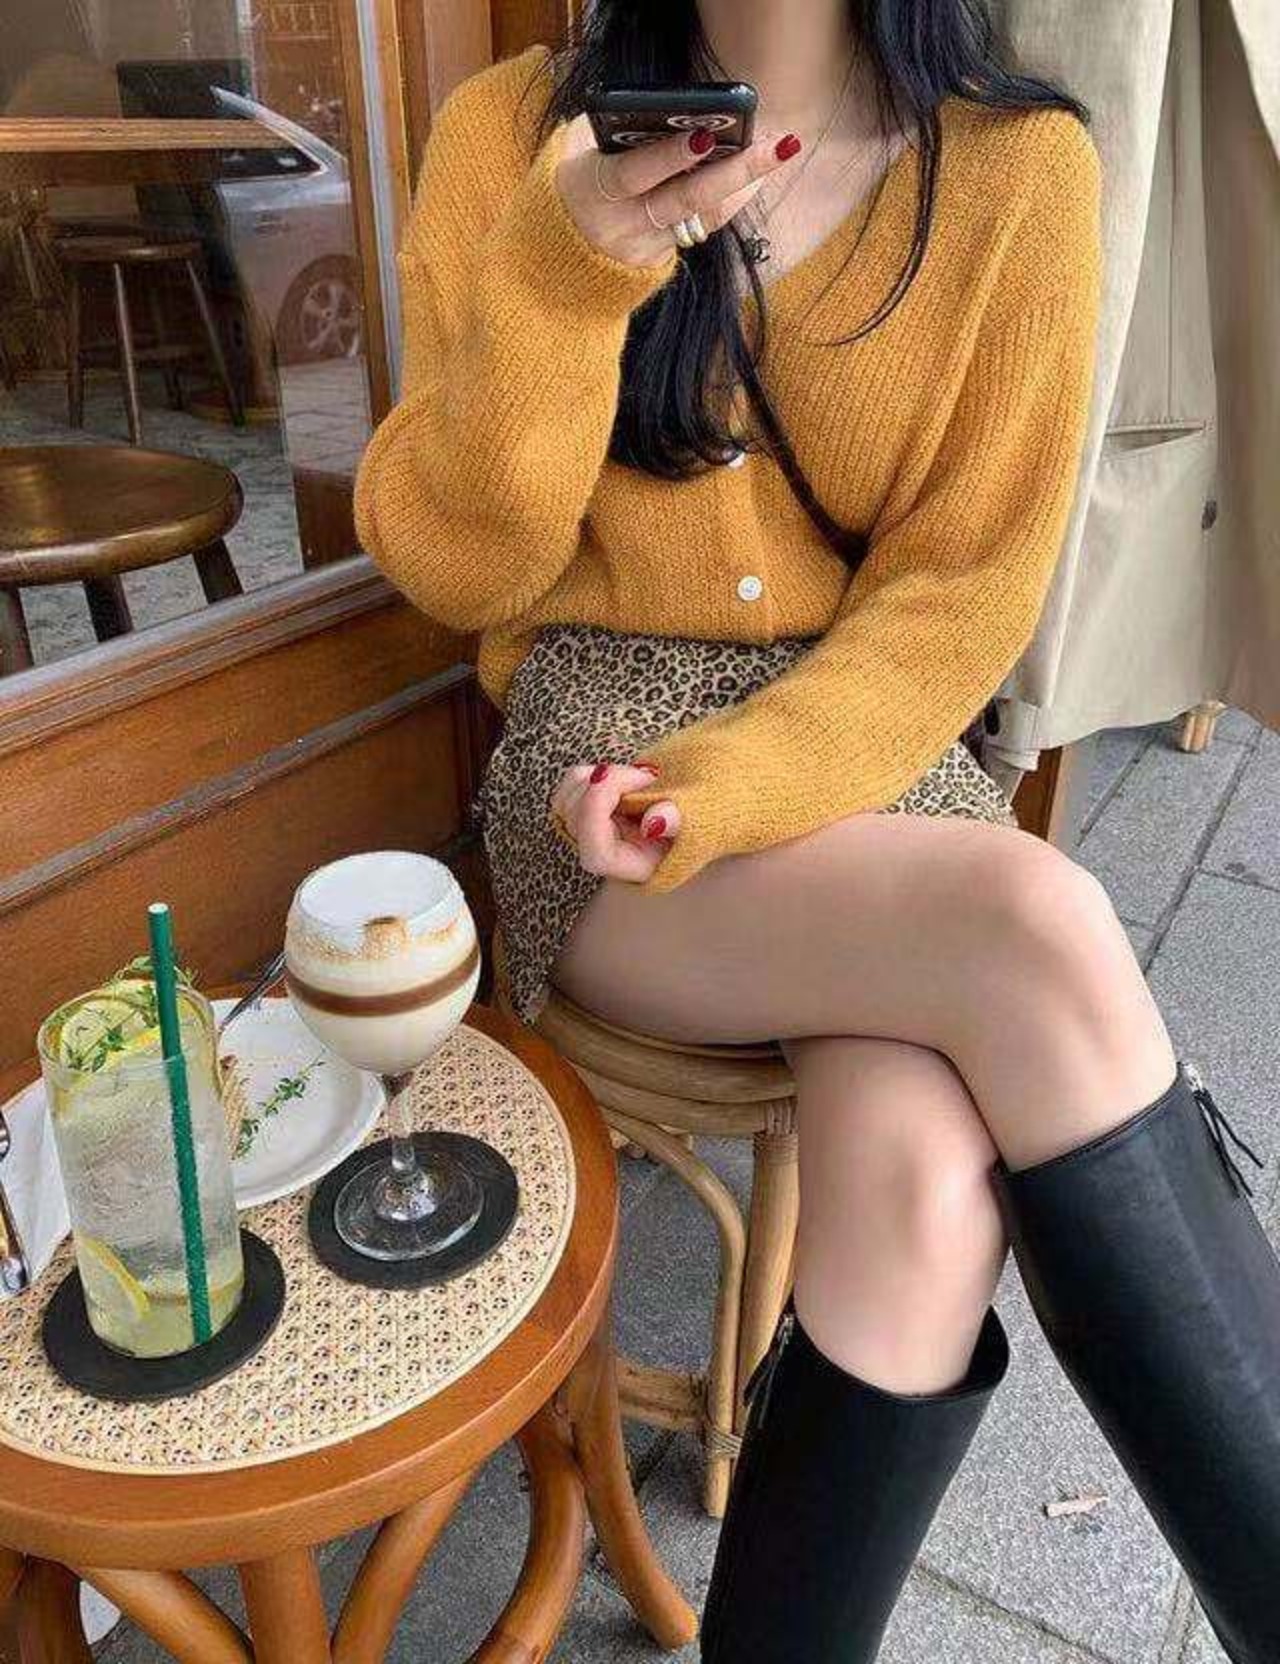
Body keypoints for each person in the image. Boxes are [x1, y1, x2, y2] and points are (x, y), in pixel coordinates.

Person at [354, 4, 1280, 1659]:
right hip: (601, 777)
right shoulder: (509, 135)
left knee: (922, 1176)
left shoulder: (1016, 172)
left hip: (868, 745)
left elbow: (958, 603)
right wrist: (567, 273)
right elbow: (453, 566)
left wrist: (744, 785)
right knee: (1043, 926)